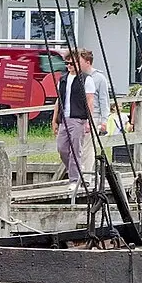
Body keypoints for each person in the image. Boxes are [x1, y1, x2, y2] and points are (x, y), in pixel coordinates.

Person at [54, 49, 94, 187]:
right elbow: (58, 101)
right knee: (62, 148)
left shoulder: (86, 79)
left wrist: (89, 121)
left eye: (72, 63)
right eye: (67, 63)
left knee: (75, 149)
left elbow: (89, 101)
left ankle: (74, 180)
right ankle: (77, 169)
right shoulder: (63, 79)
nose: (69, 66)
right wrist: (55, 120)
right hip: (64, 119)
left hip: (78, 119)